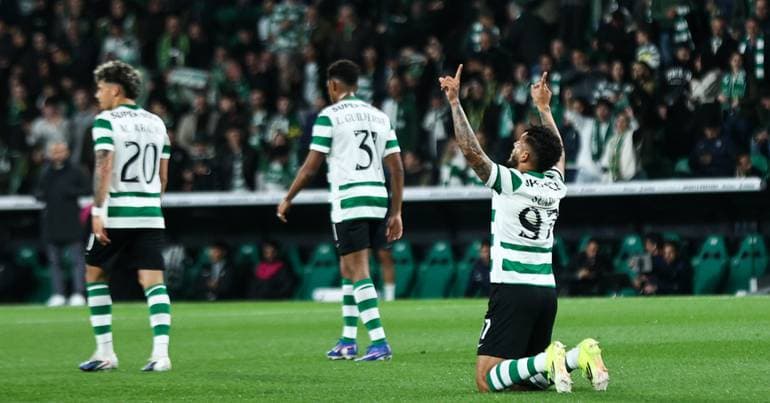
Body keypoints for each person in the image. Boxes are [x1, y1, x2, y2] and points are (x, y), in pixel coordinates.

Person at [439, 66, 608, 393]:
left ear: (526, 155)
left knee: (486, 380)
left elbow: (471, 152)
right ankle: (577, 356)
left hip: (512, 288)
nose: (514, 145)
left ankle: (552, 358)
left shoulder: (510, 181)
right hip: (545, 290)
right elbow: (558, 154)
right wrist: (544, 108)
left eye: (519, 143)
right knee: (525, 381)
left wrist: (455, 103)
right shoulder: (555, 185)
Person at [277, 59, 404, 361]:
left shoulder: (329, 116)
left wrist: (288, 197)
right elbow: (397, 167)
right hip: (377, 198)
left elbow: (310, 167)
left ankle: (379, 342)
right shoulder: (379, 116)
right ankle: (348, 339)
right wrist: (396, 211)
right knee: (348, 268)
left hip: (349, 199)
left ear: (333, 85)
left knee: (358, 269)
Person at [79, 61, 173, 372]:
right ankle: (161, 355)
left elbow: (104, 165)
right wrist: (150, 205)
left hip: (117, 213)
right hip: (150, 213)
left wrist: (98, 211)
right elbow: (163, 176)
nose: (97, 95)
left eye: (100, 88)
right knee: (153, 282)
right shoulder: (157, 123)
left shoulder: (105, 121)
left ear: (115, 90)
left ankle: (105, 352)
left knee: (94, 273)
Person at [35, 141, 89, 307]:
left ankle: (78, 293)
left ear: (67, 152)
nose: (58, 154)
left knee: (77, 260)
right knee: (54, 262)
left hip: (72, 221)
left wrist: (70, 192)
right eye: (54, 151)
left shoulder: (76, 171)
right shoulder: (45, 172)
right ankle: (58, 293)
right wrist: (42, 195)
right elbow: (37, 191)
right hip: (52, 221)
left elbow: (88, 190)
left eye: (61, 151)